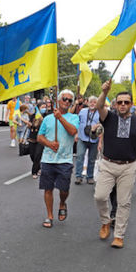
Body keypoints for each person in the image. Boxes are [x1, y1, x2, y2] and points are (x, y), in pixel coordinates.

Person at [93, 82, 136, 249]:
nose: (123, 105)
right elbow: (99, 106)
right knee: (100, 196)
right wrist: (104, 92)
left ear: (131, 105)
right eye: (120, 102)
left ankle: (119, 235)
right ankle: (105, 222)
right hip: (108, 164)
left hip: (128, 166)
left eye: (126, 102)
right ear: (115, 104)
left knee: (123, 202)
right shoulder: (109, 117)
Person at [36, 89, 79, 229]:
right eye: (64, 99)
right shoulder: (48, 119)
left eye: (69, 100)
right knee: (48, 189)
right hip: (48, 159)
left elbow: (73, 132)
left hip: (65, 160)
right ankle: (49, 215)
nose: (67, 102)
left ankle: (62, 203)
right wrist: (49, 144)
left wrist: (60, 117)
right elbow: (39, 137)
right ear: (59, 101)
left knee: (64, 189)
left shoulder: (74, 118)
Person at [75, 96, 101, 185]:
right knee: (79, 157)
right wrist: (76, 134)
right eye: (91, 102)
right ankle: (78, 176)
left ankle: (90, 177)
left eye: (94, 102)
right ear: (88, 103)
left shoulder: (100, 113)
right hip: (82, 138)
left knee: (91, 159)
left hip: (94, 139)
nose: (92, 104)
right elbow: (77, 123)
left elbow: (102, 127)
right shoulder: (82, 111)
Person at [27, 103, 45, 179]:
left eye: (45, 107)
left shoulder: (46, 116)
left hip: (41, 139)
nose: (44, 108)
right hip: (32, 138)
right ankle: (39, 166)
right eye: (42, 107)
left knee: (38, 155)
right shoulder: (33, 116)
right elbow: (29, 125)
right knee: (32, 155)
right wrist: (30, 124)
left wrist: (41, 121)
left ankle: (34, 171)